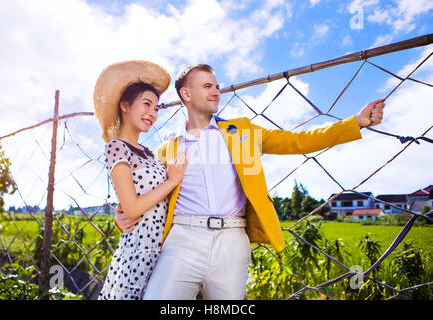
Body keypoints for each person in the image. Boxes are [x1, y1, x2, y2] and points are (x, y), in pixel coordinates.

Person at [114, 64, 385, 299]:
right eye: (207, 85)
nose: (216, 91)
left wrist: (355, 122)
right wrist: (122, 216)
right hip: (181, 241)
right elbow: (150, 196)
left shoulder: (241, 131)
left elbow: (298, 141)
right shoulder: (167, 148)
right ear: (186, 94)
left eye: (217, 86)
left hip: (232, 242)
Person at [93, 60, 188, 300]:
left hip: (162, 251)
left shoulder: (149, 153)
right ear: (125, 105)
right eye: (147, 104)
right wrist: (171, 181)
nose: (153, 114)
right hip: (137, 254)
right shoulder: (116, 147)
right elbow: (133, 207)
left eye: (156, 108)